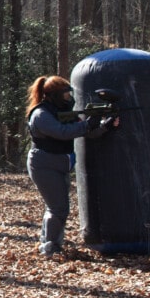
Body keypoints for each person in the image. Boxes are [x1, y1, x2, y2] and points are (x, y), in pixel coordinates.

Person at [25, 75, 119, 257]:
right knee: (58, 207)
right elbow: (63, 133)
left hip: (60, 164)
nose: (69, 98)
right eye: (65, 95)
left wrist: (105, 126)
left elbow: (88, 133)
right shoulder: (41, 114)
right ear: (53, 95)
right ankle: (50, 246)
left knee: (57, 207)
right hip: (44, 165)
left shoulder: (64, 112)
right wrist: (88, 124)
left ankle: (50, 242)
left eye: (70, 94)